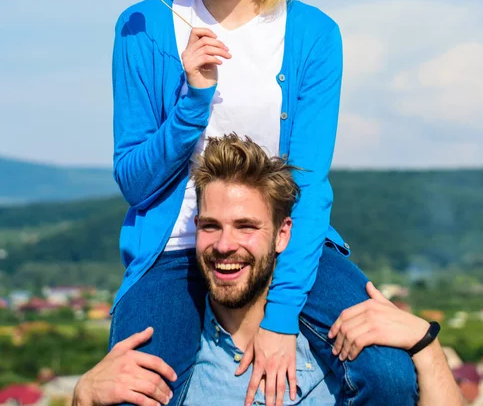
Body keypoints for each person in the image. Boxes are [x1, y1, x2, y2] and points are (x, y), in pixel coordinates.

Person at [110, 0, 418, 406]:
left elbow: (309, 181)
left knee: (389, 377)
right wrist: (193, 101)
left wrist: (280, 318)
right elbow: (135, 182)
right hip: (178, 247)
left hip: (286, 243)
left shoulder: (313, 34)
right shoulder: (143, 28)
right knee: (136, 391)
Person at [76, 136, 462, 406]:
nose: (225, 245)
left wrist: (426, 347)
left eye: (246, 226)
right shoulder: (171, 367)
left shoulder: (340, 356)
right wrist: (83, 397)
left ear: (282, 235)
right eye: (211, 226)